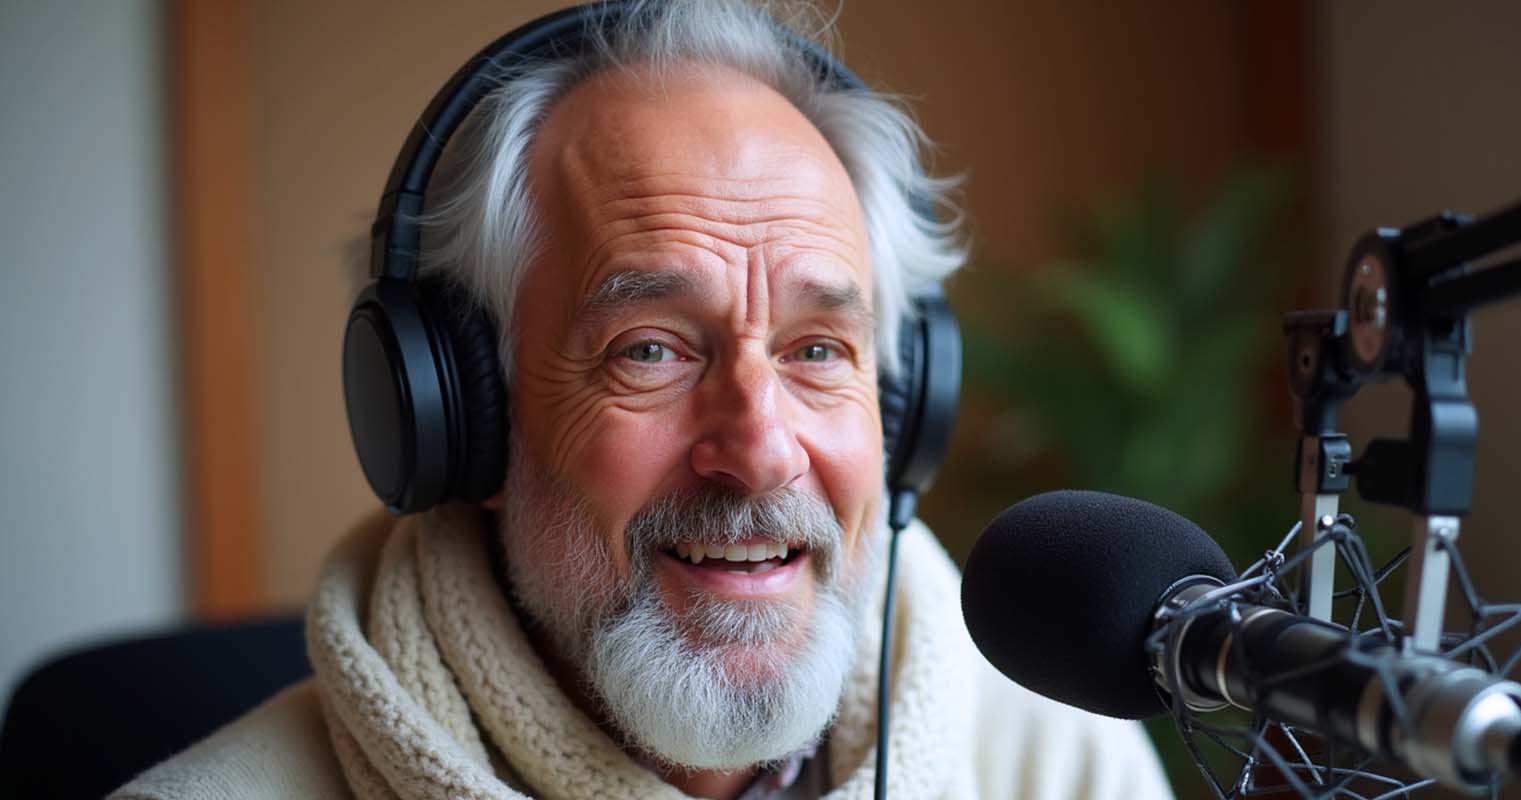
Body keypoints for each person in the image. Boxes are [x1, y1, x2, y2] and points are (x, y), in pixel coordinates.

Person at [115, 1, 1171, 797]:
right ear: (460, 416)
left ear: (901, 405)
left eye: (817, 349)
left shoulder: (1061, 762)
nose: (761, 449)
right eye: (651, 350)